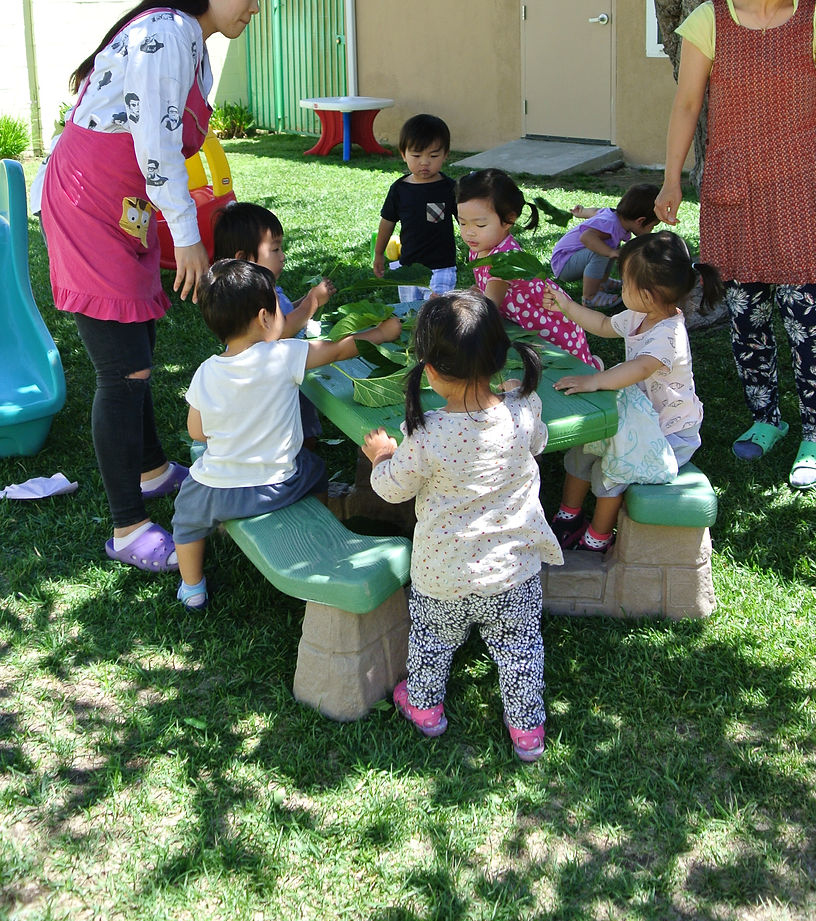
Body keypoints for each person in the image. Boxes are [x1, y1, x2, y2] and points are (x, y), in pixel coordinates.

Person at [39, 0, 267, 573]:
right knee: (122, 370)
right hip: (91, 204)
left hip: (125, 206)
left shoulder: (192, 45)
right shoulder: (167, 33)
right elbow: (157, 149)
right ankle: (126, 528)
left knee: (137, 342)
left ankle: (149, 470)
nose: (253, 6)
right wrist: (188, 238)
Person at [654, 0, 816, 491]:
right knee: (745, 315)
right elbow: (688, 105)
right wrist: (671, 178)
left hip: (803, 188)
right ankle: (766, 419)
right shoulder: (708, 20)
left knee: (805, 315)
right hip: (735, 190)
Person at [361, 291, 562, 761]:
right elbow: (538, 442)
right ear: (497, 357)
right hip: (513, 572)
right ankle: (527, 731)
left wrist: (382, 456)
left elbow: (392, 489)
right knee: (520, 652)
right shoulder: (522, 410)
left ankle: (426, 709)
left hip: (443, 574)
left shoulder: (426, 433)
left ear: (430, 372)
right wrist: (518, 396)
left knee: (431, 642)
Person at [174, 259, 401, 610]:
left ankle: (192, 588)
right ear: (265, 318)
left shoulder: (206, 372)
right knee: (316, 468)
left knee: (185, 519)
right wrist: (383, 334)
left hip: (218, 492)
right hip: (282, 483)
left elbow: (197, 433)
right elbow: (340, 349)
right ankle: (323, 528)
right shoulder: (283, 355)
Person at [542, 232, 723, 553]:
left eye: (624, 283)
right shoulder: (641, 315)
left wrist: (595, 381)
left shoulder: (669, 334)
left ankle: (597, 538)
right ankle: (568, 517)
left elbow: (639, 368)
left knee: (614, 468)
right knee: (584, 448)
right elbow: (602, 324)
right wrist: (567, 307)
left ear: (649, 296)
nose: (619, 287)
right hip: (640, 416)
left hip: (669, 434)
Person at [212, 200, 334, 446]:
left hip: (280, 374)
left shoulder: (256, 289)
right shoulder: (256, 295)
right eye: (275, 250)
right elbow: (281, 329)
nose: (284, 257)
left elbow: (285, 314)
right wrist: (312, 302)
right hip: (273, 384)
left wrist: (306, 301)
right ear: (245, 258)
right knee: (291, 427)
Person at [456, 168, 601, 369]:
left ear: (509, 219)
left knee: (565, 369)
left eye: (480, 225)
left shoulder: (505, 259)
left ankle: (593, 368)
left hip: (548, 325)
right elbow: (483, 288)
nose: (469, 232)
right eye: (462, 223)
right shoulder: (481, 246)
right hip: (524, 325)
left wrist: (454, 315)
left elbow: (488, 308)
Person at [372, 113, 457, 303]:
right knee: (411, 315)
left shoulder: (450, 188)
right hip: (409, 268)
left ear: (446, 154)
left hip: (441, 267)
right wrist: (378, 253)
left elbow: (467, 221)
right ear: (403, 154)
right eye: (416, 155)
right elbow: (387, 223)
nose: (424, 162)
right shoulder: (399, 190)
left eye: (433, 155)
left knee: (437, 312)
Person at [550, 183, 660, 308]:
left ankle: (602, 282)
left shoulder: (614, 216)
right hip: (564, 264)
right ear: (640, 221)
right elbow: (586, 237)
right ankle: (590, 297)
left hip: (569, 259)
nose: (651, 230)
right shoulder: (611, 223)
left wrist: (582, 212)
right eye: (652, 226)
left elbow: (596, 211)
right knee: (602, 251)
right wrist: (610, 252)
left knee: (610, 248)